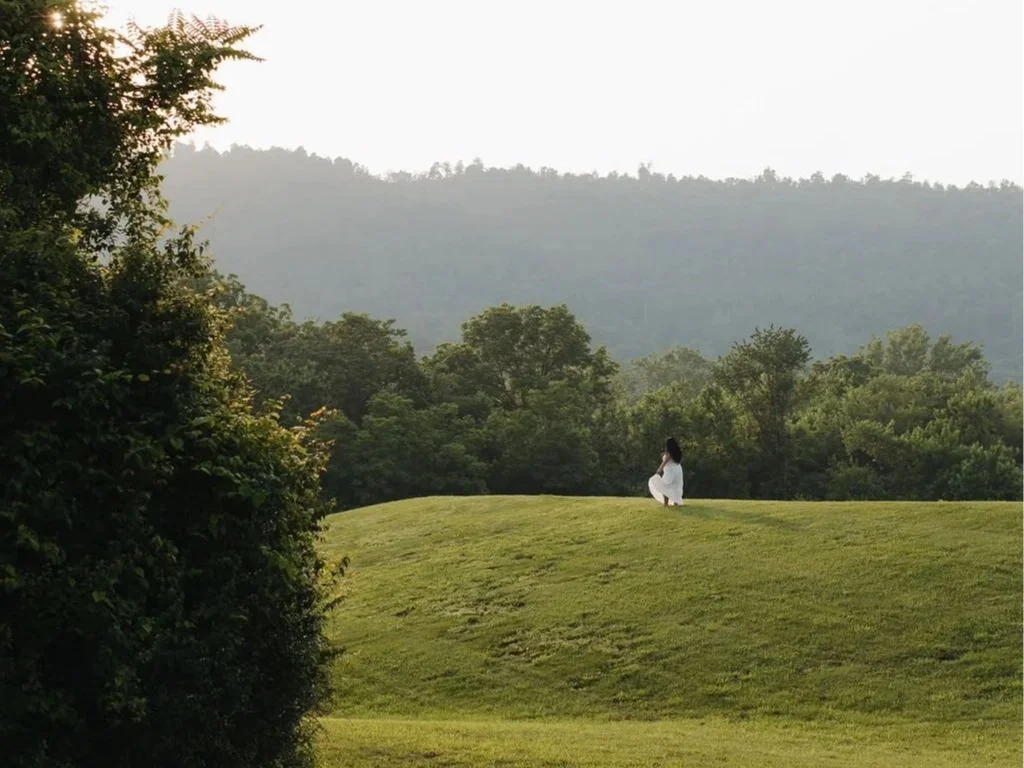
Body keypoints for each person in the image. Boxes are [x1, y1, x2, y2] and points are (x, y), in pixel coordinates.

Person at [648, 437, 684, 506]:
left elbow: (665, 462)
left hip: (670, 471)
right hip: (677, 470)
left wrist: (659, 470)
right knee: (675, 487)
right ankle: (675, 503)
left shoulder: (669, 453)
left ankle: (666, 503)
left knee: (665, 486)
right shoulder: (677, 452)